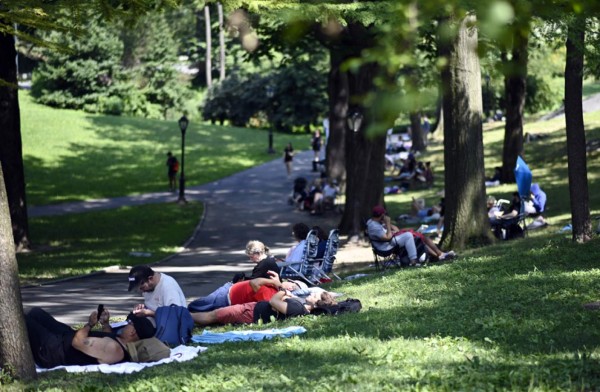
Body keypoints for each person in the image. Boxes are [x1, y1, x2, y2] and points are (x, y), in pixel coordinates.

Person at [24, 306, 168, 368]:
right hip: (63, 337)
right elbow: (108, 337)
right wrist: (105, 323)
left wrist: (90, 324)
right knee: (36, 313)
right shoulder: (120, 343)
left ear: (132, 332)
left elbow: (78, 342)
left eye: (129, 323)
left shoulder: (114, 350)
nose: (126, 325)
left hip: (53, 351)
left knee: (21, 319)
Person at [190, 289, 337, 326]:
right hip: (252, 308)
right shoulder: (302, 306)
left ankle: (180, 316)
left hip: (250, 313)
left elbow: (274, 301)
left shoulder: (298, 309)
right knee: (217, 316)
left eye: (315, 295)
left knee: (214, 315)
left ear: (316, 303)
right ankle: (184, 317)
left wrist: (284, 292)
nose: (312, 293)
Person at [188, 270, 298, 312]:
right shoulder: (276, 289)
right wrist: (276, 283)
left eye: (291, 282)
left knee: (195, 307)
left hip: (226, 298)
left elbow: (254, 283)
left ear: (289, 288)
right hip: (230, 288)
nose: (287, 281)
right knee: (197, 306)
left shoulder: (271, 295)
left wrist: (275, 283)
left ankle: (177, 313)